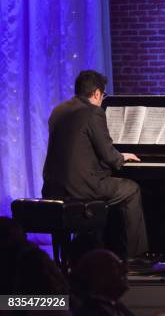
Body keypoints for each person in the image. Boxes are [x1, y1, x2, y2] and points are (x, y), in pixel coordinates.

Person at [42, 70, 148, 259]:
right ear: (97, 93)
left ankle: (96, 251)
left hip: (53, 188)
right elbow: (109, 155)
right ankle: (135, 258)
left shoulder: (58, 110)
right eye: (103, 95)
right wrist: (121, 157)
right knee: (131, 190)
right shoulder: (93, 112)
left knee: (110, 185)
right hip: (80, 189)